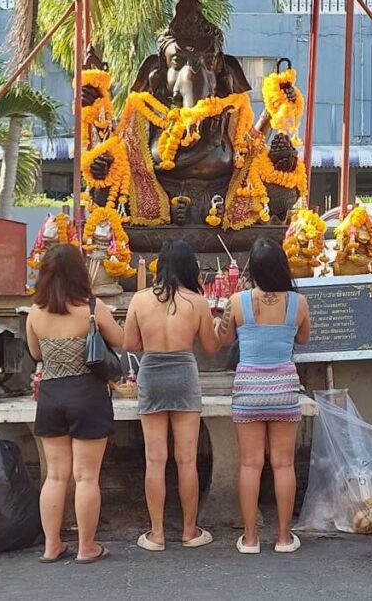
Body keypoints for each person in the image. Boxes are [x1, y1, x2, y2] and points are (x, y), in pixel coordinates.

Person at [26, 243, 123, 564]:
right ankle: (86, 547)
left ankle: (51, 545)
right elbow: (121, 341)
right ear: (80, 273)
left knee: (55, 475)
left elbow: (37, 354)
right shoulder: (93, 309)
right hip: (88, 395)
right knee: (85, 476)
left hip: (51, 396)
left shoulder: (35, 314)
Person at [215, 237, 311, 554]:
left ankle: (251, 538)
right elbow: (304, 337)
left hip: (248, 388)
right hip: (284, 386)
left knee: (250, 465)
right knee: (283, 465)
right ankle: (284, 538)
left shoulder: (238, 301)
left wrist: (220, 319)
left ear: (253, 269)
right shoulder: (298, 303)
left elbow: (223, 338)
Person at [124, 240, 221, 551]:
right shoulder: (198, 302)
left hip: (151, 373)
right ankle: (190, 531)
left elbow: (130, 344)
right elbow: (210, 347)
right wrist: (219, 324)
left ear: (159, 266)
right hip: (184, 374)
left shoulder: (139, 301)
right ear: (189, 267)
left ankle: (156, 534)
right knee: (187, 459)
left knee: (155, 460)